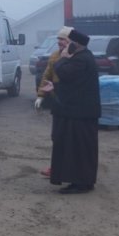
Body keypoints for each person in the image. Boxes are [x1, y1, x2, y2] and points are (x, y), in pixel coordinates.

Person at [38, 28, 101, 194]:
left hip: (78, 114)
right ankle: (83, 181)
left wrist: (63, 58)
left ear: (76, 44)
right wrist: (55, 87)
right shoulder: (83, 57)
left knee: (76, 148)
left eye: (68, 43)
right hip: (78, 112)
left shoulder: (80, 59)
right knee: (79, 147)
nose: (65, 46)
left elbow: (65, 73)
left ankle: (79, 182)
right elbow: (74, 85)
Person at [34, 26, 73, 178]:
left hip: (72, 103)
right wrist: (41, 95)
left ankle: (70, 168)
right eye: (58, 39)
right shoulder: (54, 56)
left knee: (70, 137)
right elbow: (46, 76)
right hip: (57, 101)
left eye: (62, 39)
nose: (59, 42)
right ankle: (56, 167)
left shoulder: (76, 58)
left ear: (70, 41)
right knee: (56, 136)